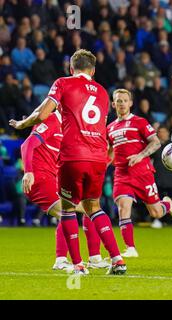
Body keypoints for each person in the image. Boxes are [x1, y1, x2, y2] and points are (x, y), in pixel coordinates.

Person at [10, 49, 126, 275]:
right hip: (97, 156)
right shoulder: (103, 92)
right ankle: (117, 259)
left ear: (71, 69)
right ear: (93, 70)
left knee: (68, 209)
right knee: (94, 208)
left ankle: (78, 265)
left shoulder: (63, 83)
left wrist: (24, 124)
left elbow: (43, 114)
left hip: (73, 156)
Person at [20, 110, 110, 271]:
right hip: (39, 178)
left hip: (54, 178)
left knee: (89, 208)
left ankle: (94, 257)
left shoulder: (72, 126)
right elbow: (27, 144)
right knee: (67, 214)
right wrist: (28, 171)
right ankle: (62, 260)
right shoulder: (53, 120)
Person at [107, 89, 172, 258]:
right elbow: (110, 153)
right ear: (113, 104)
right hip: (121, 174)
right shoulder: (110, 128)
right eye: (119, 101)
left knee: (155, 212)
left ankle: (167, 205)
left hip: (142, 173)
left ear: (130, 103)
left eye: (125, 100)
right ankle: (130, 248)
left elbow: (155, 143)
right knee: (123, 207)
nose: (122, 103)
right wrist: (102, 166)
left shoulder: (139, 122)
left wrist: (140, 156)